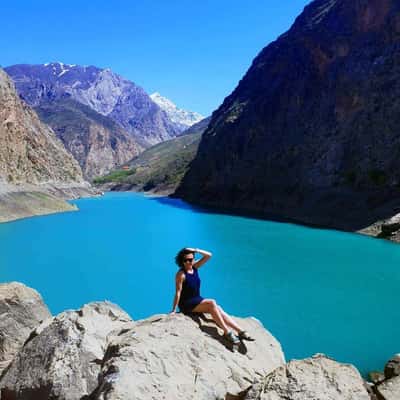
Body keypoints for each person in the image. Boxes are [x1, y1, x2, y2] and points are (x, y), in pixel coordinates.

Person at [171, 247, 254, 344]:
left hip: (197, 300)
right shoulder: (181, 274)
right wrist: (173, 310)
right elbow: (178, 292)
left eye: (191, 259)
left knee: (217, 308)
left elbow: (208, 255)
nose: (188, 262)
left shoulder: (195, 267)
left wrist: (195, 250)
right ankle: (227, 332)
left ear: (193, 259)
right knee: (212, 303)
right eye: (185, 260)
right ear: (182, 261)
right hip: (187, 304)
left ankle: (240, 331)